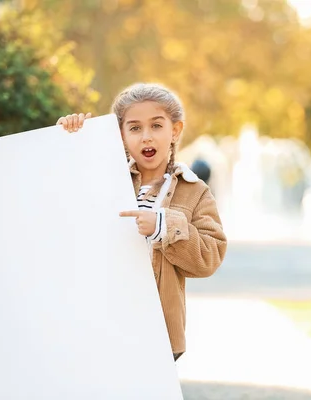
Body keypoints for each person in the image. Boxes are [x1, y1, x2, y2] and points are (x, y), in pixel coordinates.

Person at [56, 83, 227, 362]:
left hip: (157, 328)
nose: (146, 137)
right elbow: (62, 204)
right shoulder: (105, 178)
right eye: (135, 128)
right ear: (121, 136)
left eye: (156, 126)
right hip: (100, 318)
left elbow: (210, 256)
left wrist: (163, 226)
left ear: (175, 130)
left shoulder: (195, 192)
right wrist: (70, 139)